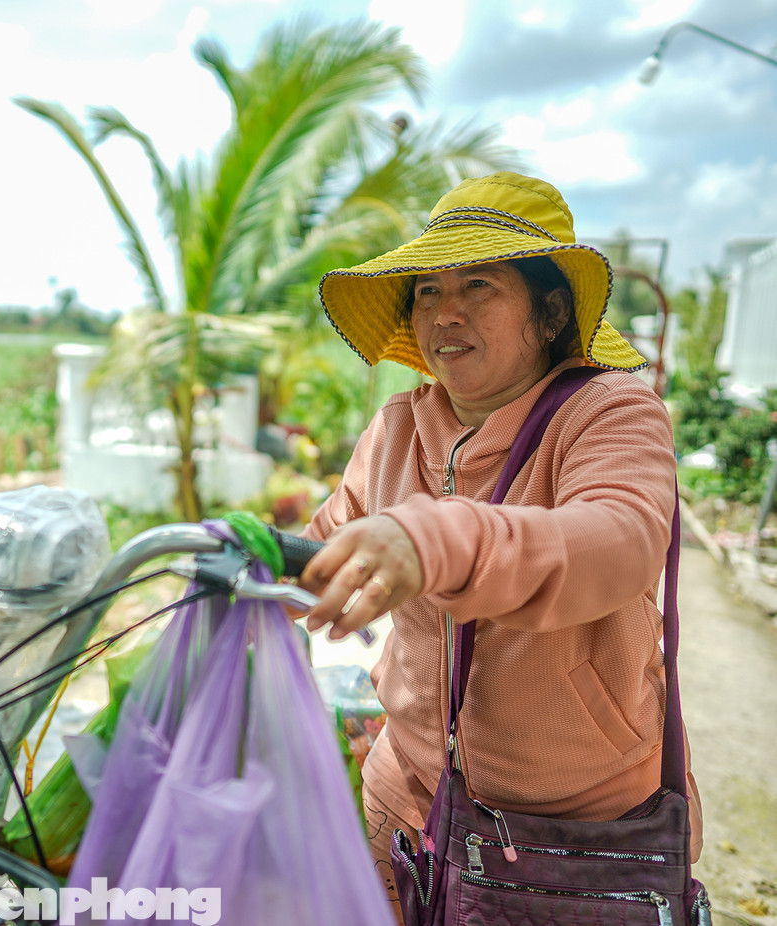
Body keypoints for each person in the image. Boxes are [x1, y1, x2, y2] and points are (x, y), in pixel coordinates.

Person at [293, 172, 703, 912]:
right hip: (408, 798)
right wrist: (248, 556)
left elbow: (620, 538)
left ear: (549, 312)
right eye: (427, 291)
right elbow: (326, 541)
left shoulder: (609, 413)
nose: (445, 313)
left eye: (478, 284)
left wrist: (440, 538)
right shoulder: (395, 429)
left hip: (568, 836)